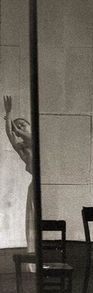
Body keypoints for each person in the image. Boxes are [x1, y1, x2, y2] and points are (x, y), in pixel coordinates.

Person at [3, 96, 35, 272]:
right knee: (31, 225)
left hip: (44, 186)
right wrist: (8, 115)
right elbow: (11, 135)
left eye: (23, 124)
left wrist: (12, 123)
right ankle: (34, 263)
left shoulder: (35, 141)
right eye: (19, 125)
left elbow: (27, 136)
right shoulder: (23, 149)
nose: (20, 127)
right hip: (34, 186)